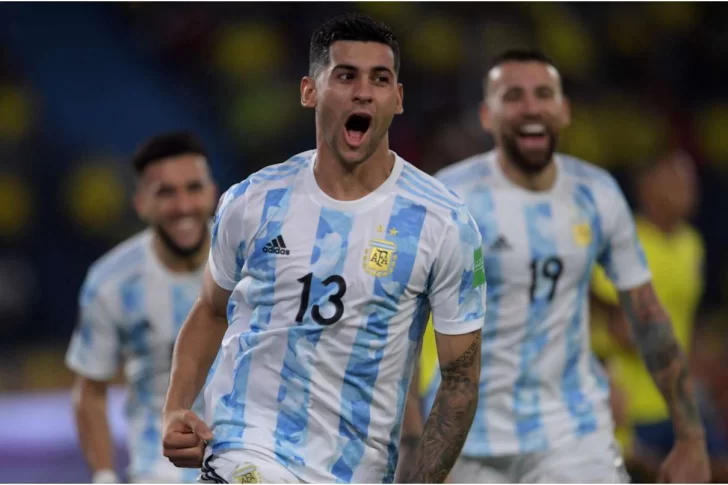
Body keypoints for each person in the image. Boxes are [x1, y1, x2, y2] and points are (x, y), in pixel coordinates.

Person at [161, 13, 485, 485]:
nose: (363, 92)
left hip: (354, 471)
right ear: (309, 91)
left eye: (380, 79)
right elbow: (211, 310)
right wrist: (175, 409)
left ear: (397, 99)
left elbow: (460, 378)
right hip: (243, 449)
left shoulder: (443, 222)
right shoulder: (253, 200)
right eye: (346, 76)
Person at [405, 48, 711, 483]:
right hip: (468, 439)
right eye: (513, 96)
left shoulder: (595, 193)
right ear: (487, 116)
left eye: (543, 94)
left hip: (572, 433)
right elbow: (404, 326)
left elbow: (647, 316)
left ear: (564, 111)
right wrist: (411, 442)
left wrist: (691, 436)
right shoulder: (449, 198)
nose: (531, 107)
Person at [65, 132, 219, 483]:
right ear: (141, 204)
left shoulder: (251, 261)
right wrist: (104, 477)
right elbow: (90, 390)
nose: (183, 206)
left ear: (212, 193)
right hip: (158, 470)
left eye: (193, 188)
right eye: (166, 192)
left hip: (250, 457)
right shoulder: (111, 282)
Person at [591, 150, 728, 480]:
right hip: (634, 406)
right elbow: (617, 327)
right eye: (677, 182)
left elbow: (685, 320)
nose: (689, 192)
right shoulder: (623, 245)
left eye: (692, 183)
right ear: (648, 187)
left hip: (680, 400)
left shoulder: (692, 244)